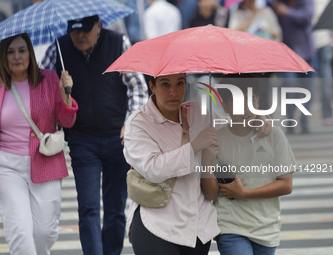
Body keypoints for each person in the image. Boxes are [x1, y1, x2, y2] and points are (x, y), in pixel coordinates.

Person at [123, 72, 273, 254]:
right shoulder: (138, 123)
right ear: (152, 86)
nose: (173, 91)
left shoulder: (196, 112)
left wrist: (256, 120)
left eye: (180, 83)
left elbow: (232, 129)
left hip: (196, 227)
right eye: (165, 84)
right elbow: (153, 169)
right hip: (156, 223)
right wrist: (194, 146)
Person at [41, 15, 149, 255]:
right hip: (82, 139)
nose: (79, 36)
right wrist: (59, 89)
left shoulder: (118, 43)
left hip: (117, 138)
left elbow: (138, 87)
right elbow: (39, 88)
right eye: (74, 31)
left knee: (115, 210)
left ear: (99, 26)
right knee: (88, 207)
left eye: (86, 30)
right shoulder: (58, 49)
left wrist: (129, 123)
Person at [0, 33, 78, 255]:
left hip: (45, 161)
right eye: (10, 51)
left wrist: (66, 95)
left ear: (30, 54)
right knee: (20, 233)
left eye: (22, 50)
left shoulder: (50, 79)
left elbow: (66, 121)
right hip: (6, 167)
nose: (17, 56)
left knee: (44, 232)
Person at [200, 74, 295, 255]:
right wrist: (205, 162)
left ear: (257, 101)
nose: (246, 108)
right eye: (237, 101)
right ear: (225, 106)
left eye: (250, 100)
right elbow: (211, 193)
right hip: (230, 227)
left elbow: (286, 184)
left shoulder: (274, 135)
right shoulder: (215, 139)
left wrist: (244, 194)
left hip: (267, 227)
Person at [273, 0, 317, 134]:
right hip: (287, 55)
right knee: (289, 87)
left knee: (307, 90)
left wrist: (287, 12)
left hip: (307, 53)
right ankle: (290, 120)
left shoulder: (306, 3)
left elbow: (306, 16)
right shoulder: (276, 4)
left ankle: (305, 121)